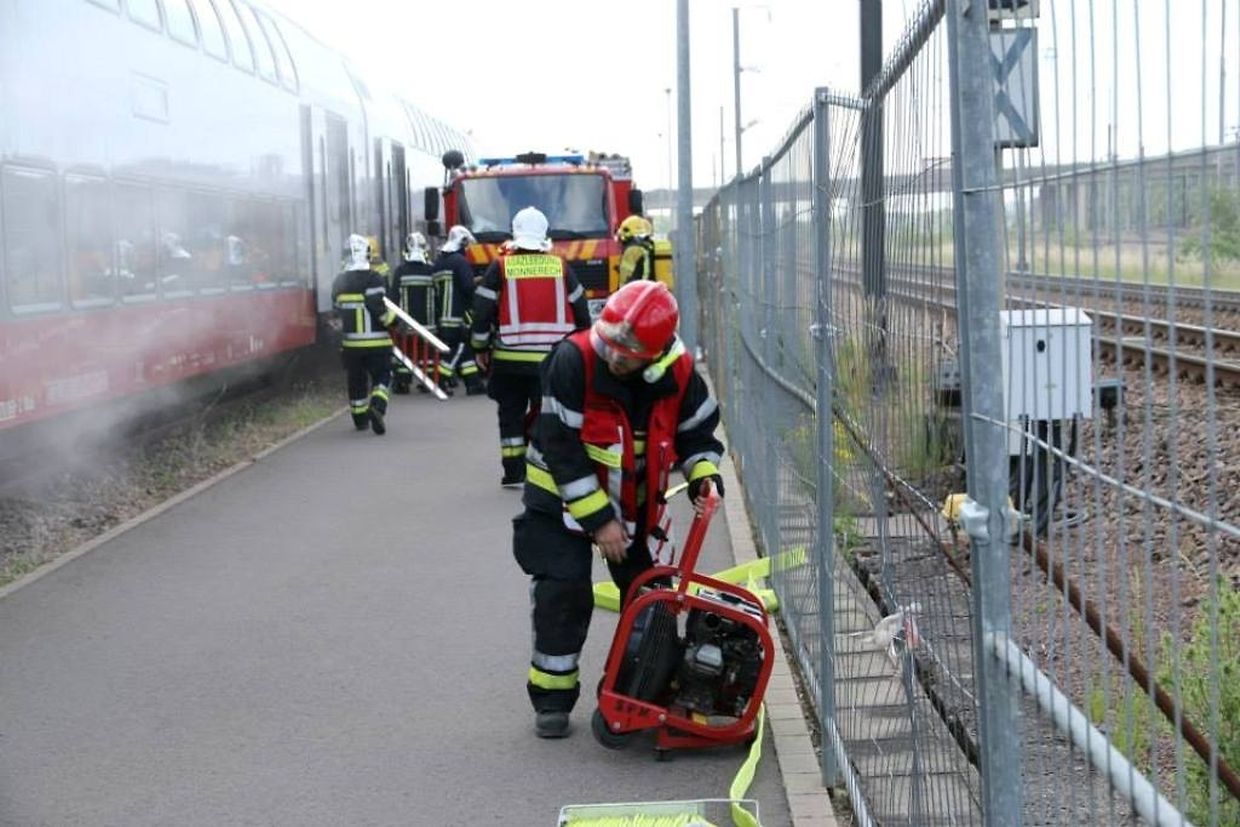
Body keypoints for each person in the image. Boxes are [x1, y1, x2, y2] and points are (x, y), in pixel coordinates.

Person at [511, 280, 725, 738]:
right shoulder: (573, 360)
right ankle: (552, 699)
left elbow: (698, 435)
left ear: (654, 357)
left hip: (632, 509)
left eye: (626, 355)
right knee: (564, 592)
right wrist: (600, 521)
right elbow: (560, 447)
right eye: (608, 345)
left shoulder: (680, 374)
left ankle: (637, 691)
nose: (613, 358)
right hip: (558, 501)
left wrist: (703, 475)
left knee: (652, 601)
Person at [471, 207, 591, 487]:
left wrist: (479, 347)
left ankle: (514, 472)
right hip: (552, 359)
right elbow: (581, 309)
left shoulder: (500, 267)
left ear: (515, 233)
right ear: (544, 234)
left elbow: (482, 311)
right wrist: (582, 346)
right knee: (545, 413)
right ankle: (541, 469)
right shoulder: (561, 267)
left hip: (509, 359)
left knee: (510, 414)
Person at [332, 233, 397, 435]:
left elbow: (336, 311)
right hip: (377, 344)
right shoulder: (374, 278)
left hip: (351, 346)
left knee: (356, 381)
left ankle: (360, 419)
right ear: (367, 254)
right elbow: (378, 307)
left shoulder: (339, 281)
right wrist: (394, 321)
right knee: (383, 375)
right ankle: (377, 407)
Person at [432, 225, 485, 396]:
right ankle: (440, 380)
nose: (467, 249)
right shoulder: (460, 262)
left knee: (466, 350)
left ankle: (473, 383)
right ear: (462, 243)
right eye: (466, 246)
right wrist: (480, 283)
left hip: (443, 316)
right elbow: (468, 287)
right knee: (459, 347)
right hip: (457, 316)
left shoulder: (439, 262)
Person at [389, 232, 435, 394]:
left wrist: (394, 321)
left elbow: (393, 298)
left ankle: (402, 383)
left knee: (405, 353)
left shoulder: (400, 271)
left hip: (406, 325)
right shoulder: (431, 270)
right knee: (427, 355)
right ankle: (428, 381)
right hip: (429, 324)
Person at [616, 215, 655, 284]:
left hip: (634, 287)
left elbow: (626, 273)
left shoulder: (632, 249)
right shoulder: (647, 245)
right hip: (645, 285)